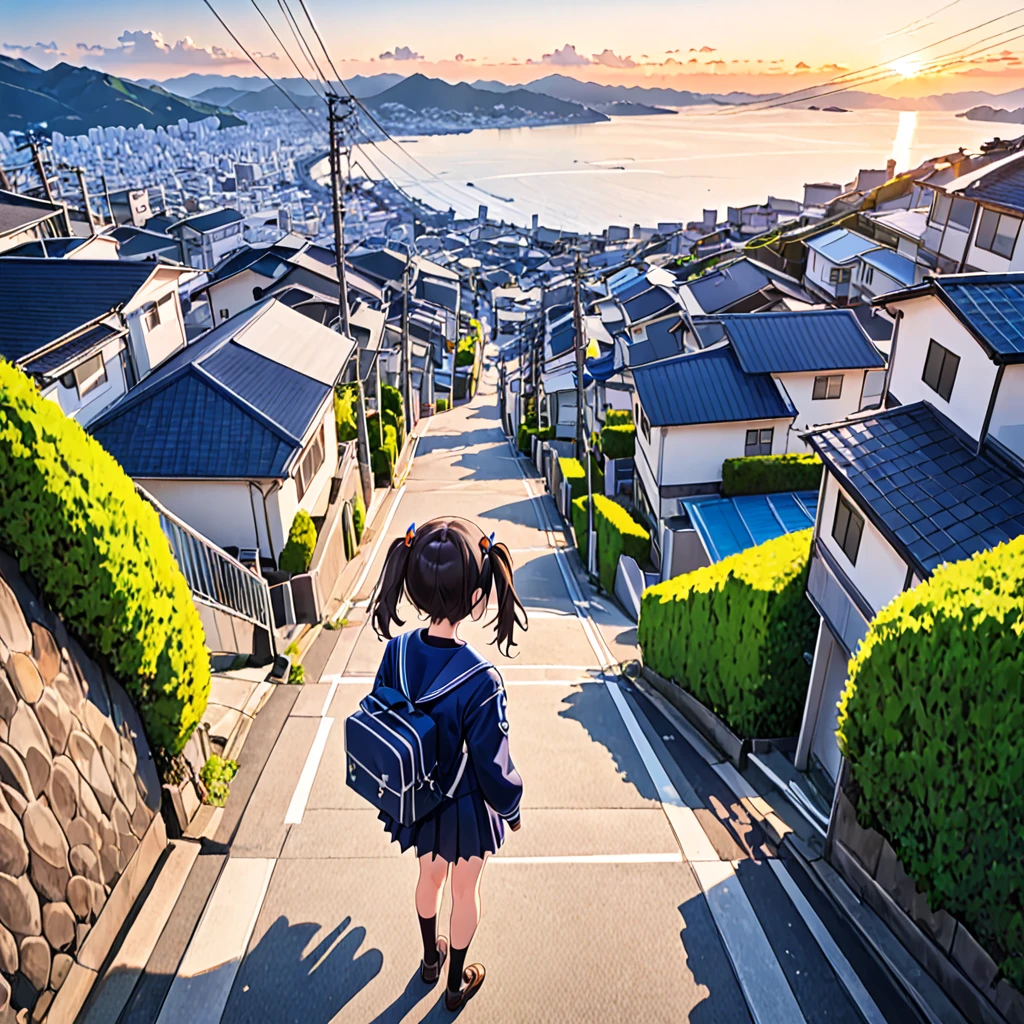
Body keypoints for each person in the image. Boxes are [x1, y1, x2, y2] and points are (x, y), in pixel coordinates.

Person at [368, 517, 527, 1011]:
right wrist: (513, 808)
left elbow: (383, 713)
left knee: (427, 879)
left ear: (414, 588)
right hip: (465, 807)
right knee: (466, 889)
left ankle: (428, 961)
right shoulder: (481, 680)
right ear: (476, 599)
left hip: (417, 798)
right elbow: (493, 764)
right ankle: (456, 984)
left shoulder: (394, 653)